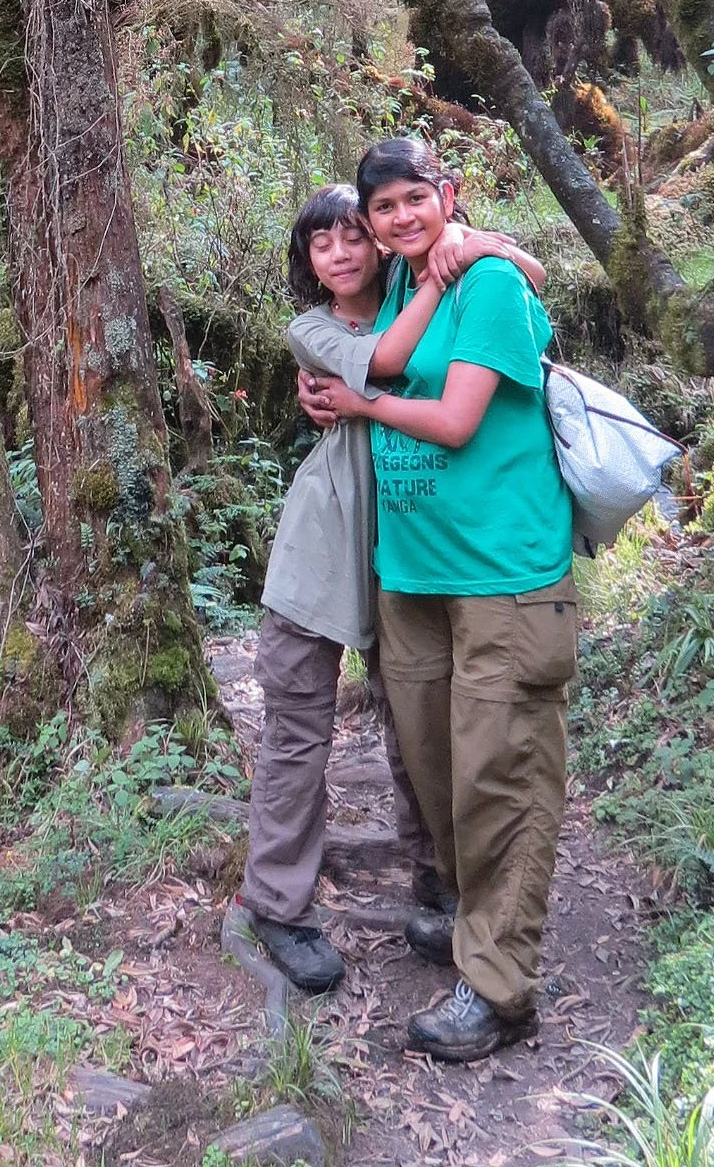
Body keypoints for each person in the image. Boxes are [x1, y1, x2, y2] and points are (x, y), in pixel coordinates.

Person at [299, 135, 575, 1064]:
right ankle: (467, 916)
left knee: (501, 770)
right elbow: (362, 359)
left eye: (416, 199)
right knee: (435, 763)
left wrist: (362, 404)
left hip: (503, 572)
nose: (401, 218)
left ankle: (499, 987)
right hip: (413, 576)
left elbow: (456, 421)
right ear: (371, 227)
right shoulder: (401, 297)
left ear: (445, 196)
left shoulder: (489, 282)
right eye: (385, 209)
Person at [243, 180, 546, 996]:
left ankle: (440, 886)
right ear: (306, 262)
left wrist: (479, 246)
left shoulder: (422, 292)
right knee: (297, 729)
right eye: (322, 243)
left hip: (413, 554)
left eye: (353, 236)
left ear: (381, 241)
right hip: (319, 554)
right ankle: (278, 903)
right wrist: (451, 265)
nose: (341, 254)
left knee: (416, 728)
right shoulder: (312, 330)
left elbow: (523, 279)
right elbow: (385, 362)